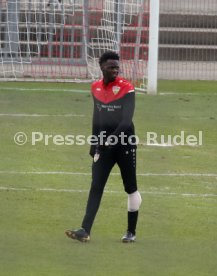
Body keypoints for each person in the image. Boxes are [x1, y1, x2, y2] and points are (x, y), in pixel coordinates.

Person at [65, 51, 142, 243]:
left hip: (124, 144)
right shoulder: (96, 88)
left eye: (117, 67)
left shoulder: (127, 88)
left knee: (130, 187)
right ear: (102, 67)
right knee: (96, 185)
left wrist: (109, 141)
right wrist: (94, 144)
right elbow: (97, 118)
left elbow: (126, 122)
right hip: (104, 146)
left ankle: (131, 232)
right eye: (111, 67)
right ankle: (85, 230)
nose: (115, 70)